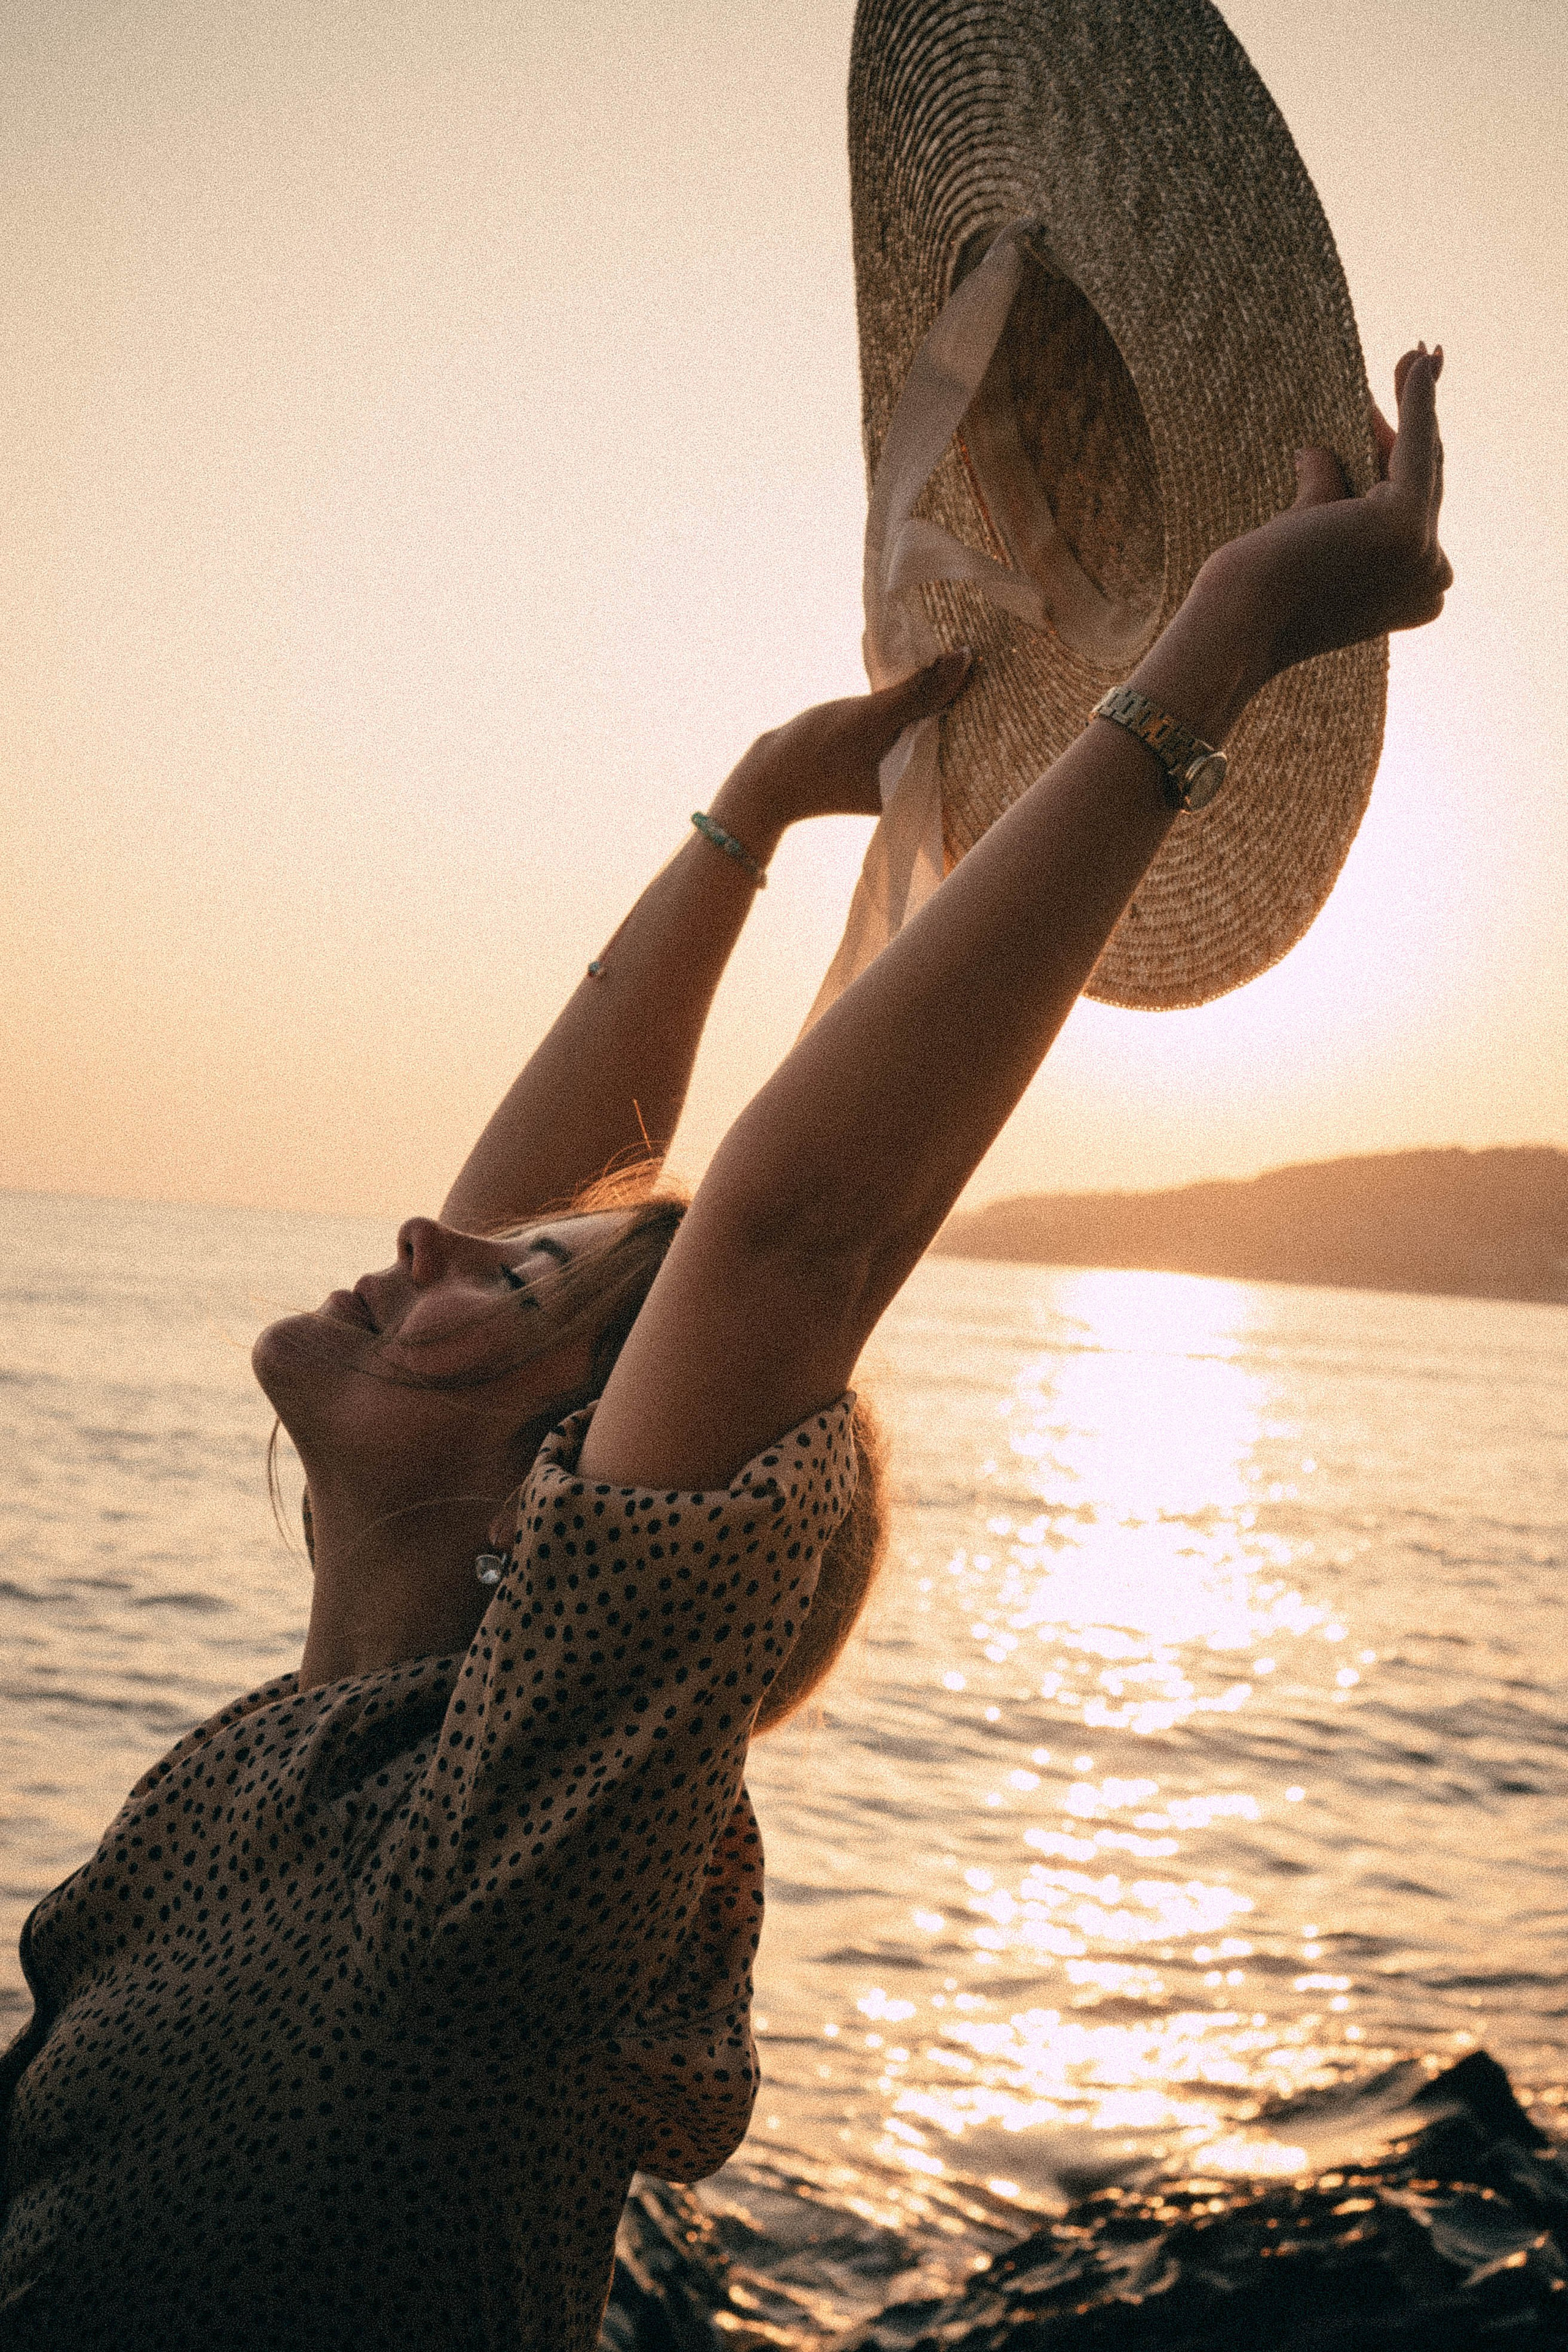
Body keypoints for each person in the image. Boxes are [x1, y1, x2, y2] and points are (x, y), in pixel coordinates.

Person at [0, 347, 1448, 2351]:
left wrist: (1237, 627)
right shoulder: (279, 1768)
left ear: (563, 1499)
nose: (433, 1232)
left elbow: (792, 1237)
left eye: (505, 1292)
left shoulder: (508, 1868)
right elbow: (564, 1238)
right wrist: (755, 810)